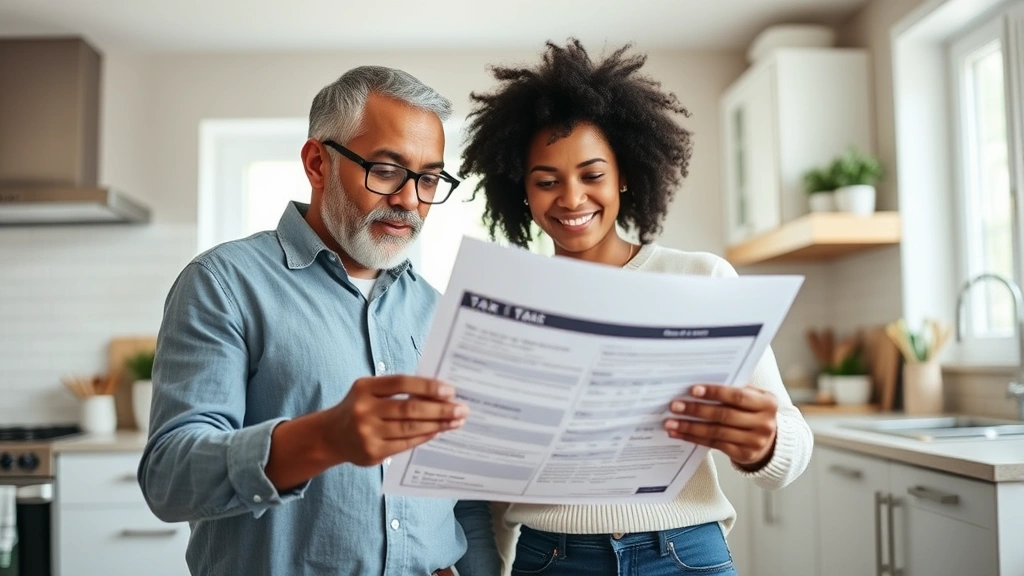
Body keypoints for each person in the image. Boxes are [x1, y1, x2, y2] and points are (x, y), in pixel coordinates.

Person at [459, 40, 814, 575]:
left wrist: (764, 444)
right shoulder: (502, 303)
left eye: (592, 174)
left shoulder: (702, 280)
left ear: (624, 174)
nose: (572, 198)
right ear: (523, 192)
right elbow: (490, 479)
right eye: (547, 181)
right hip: (549, 558)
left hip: (684, 555)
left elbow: (792, 444)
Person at [138, 66, 501, 576]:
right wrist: (323, 439)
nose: (409, 200)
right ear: (317, 163)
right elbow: (169, 479)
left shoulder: (440, 310)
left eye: (428, 178)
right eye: (386, 170)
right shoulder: (223, 283)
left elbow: (462, 494)